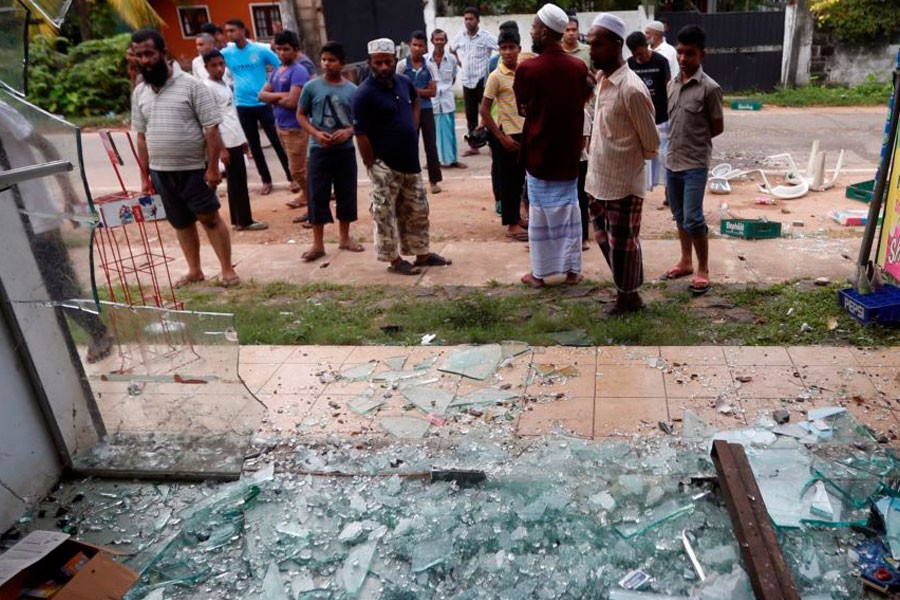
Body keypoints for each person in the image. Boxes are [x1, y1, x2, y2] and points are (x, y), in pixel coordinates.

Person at [0, 99, 114, 363]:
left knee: (58, 283)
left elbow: (44, 145)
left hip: (34, 215)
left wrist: (68, 192)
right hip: (9, 220)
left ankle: (98, 332)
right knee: (26, 287)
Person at [130, 29, 240, 288]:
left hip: (193, 170)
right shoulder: (140, 91)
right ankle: (195, 271)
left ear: (163, 54)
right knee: (180, 222)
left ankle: (227, 270)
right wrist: (145, 178)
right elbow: (141, 137)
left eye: (149, 53)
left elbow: (211, 127)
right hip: (161, 172)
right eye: (139, 55)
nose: (145, 60)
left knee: (209, 218)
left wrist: (213, 168)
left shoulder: (191, 85)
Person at [353, 38, 452, 276]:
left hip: (410, 162)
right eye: (379, 63)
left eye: (388, 61)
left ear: (394, 60)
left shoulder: (404, 83)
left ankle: (422, 254)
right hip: (384, 165)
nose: (384, 67)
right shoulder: (363, 94)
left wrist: (413, 122)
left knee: (418, 210)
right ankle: (394, 261)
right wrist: (372, 163)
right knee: (385, 213)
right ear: (370, 62)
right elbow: (361, 134)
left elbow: (417, 100)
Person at [513, 3, 592, 289]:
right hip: (569, 155)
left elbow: (522, 108)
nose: (532, 31)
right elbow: (585, 96)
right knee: (570, 212)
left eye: (534, 27)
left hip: (539, 152)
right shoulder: (578, 66)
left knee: (541, 216)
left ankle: (540, 273)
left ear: (544, 32)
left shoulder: (528, 69)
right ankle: (572, 271)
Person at [585, 14, 659, 315]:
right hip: (598, 180)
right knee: (607, 241)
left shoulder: (631, 88)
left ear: (617, 45)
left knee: (625, 245)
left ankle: (628, 299)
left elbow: (652, 144)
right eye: (590, 44)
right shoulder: (603, 80)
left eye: (597, 44)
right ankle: (628, 292)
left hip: (624, 184)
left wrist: (626, 162)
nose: (592, 51)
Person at [664, 24, 724, 296]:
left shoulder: (710, 89)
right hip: (672, 162)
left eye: (689, 53)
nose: (682, 59)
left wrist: (696, 143)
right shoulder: (672, 85)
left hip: (695, 164)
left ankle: (703, 269)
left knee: (694, 218)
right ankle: (685, 261)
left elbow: (717, 126)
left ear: (702, 54)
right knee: (679, 216)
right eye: (679, 53)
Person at [297, 41, 363, 261]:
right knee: (317, 195)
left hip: (344, 151)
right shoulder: (311, 87)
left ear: (342, 63)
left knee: (346, 193)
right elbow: (301, 115)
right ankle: (318, 244)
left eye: (332, 60)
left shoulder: (353, 91)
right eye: (324, 59)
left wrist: (349, 132)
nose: (327, 64)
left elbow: (361, 121)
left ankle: (344, 238)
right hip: (319, 150)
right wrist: (316, 134)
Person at [222, 18, 293, 196]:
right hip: (242, 104)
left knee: (277, 141)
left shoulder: (260, 50)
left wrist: (273, 89)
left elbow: (280, 67)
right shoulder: (226, 53)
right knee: (254, 145)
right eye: (227, 31)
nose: (229, 34)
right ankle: (266, 180)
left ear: (242, 31)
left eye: (232, 30)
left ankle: (291, 177)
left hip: (264, 104)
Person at [202, 49, 267, 231]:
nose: (219, 68)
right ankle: (243, 220)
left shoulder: (223, 84)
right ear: (206, 67)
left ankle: (239, 219)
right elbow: (212, 122)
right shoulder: (207, 88)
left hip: (234, 136)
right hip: (225, 140)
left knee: (239, 179)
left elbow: (232, 113)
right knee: (236, 181)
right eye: (214, 65)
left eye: (221, 64)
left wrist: (243, 139)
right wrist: (221, 149)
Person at [480, 28, 527, 241]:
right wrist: (501, 137)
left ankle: (517, 217)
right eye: (503, 48)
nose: (507, 52)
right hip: (506, 136)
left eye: (511, 48)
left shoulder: (524, 73)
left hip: (524, 133)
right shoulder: (496, 76)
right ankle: (511, 225)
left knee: (520, 180)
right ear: (499, 51)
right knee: (508, 181)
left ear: (519, 49)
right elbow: (484, 110)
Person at [258, 30, 311, 214]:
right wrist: (281, 95)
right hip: (281, 126)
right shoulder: (276, 71)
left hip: (296, 127)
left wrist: (272, 97)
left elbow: (292, 102)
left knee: (297, 171)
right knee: (300, 168)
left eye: (285, 49)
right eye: (278, 49)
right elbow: (261, 95)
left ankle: (313, 198)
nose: (281, 53)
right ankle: (309, 195)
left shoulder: (299, 71)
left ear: (296, 50)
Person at [626, 31, 671, 200]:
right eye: (637, 55)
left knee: (666, 157)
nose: (642, 57)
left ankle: (669, 193)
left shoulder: (660, 61)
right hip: (640, 120)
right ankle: (637, 193)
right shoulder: (629, 64)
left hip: (661, 117)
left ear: (648, 46)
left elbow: (668, 87)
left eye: (643, 53)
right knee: (640, 159)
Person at [398, 31, 443, 194]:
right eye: (414, 45)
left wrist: (412, 90)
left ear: (425, 48)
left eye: (420, 45)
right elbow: (399, 90)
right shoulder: (402, 66)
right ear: (410, 46)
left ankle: (434, 181)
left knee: (431, 145)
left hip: (426, 110)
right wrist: (420, 90)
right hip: (408, 112)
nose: (417, 48)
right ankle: (411, 180)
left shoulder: (429, 66)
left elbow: (433, 92)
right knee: (410, 146)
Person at [450, 6, 498, 157]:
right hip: (467, 80)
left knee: (486, 114)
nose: (468, 22)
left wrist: (493, 69)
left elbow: (500, 48)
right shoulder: (461, 36)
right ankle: (474, 146)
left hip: (482, 81)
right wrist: (460, 63)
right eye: (466, 19)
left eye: (471, 19)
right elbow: (452, 49)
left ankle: (492, 145)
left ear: (478, 20)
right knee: (470, 115)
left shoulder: (485, 36)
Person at [426, 29, 466, 169]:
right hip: (432, 101)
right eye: (436, 39)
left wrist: (445, 88)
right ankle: (434, 161)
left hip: (447, 100)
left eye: (441, 39)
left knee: (450, 132)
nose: (439, 42)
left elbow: (453, 77)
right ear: (432, 41)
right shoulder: (426, 60)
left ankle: (453, 160)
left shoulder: (452, 59)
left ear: (445, 41)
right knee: (432, 133)